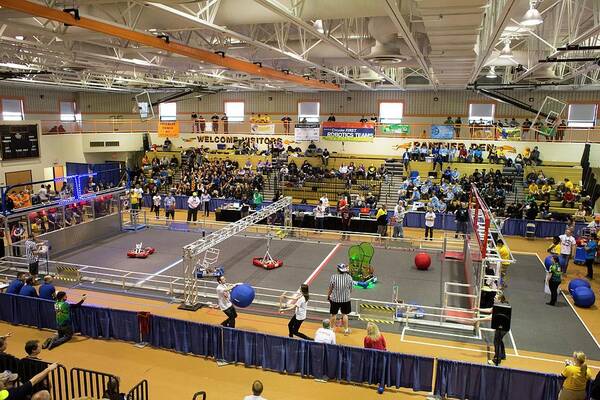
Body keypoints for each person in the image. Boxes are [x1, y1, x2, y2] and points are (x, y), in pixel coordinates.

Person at [328, 263, 353, 335]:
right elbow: (350, 289)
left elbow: (330, 288)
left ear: (338, 269)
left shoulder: (334, 277)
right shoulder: (349, 277)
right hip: (346, 299)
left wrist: (328, 296)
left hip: (335, 299)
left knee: (333, 314)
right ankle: (346, 330)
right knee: (345, 315)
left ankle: (331, 329)